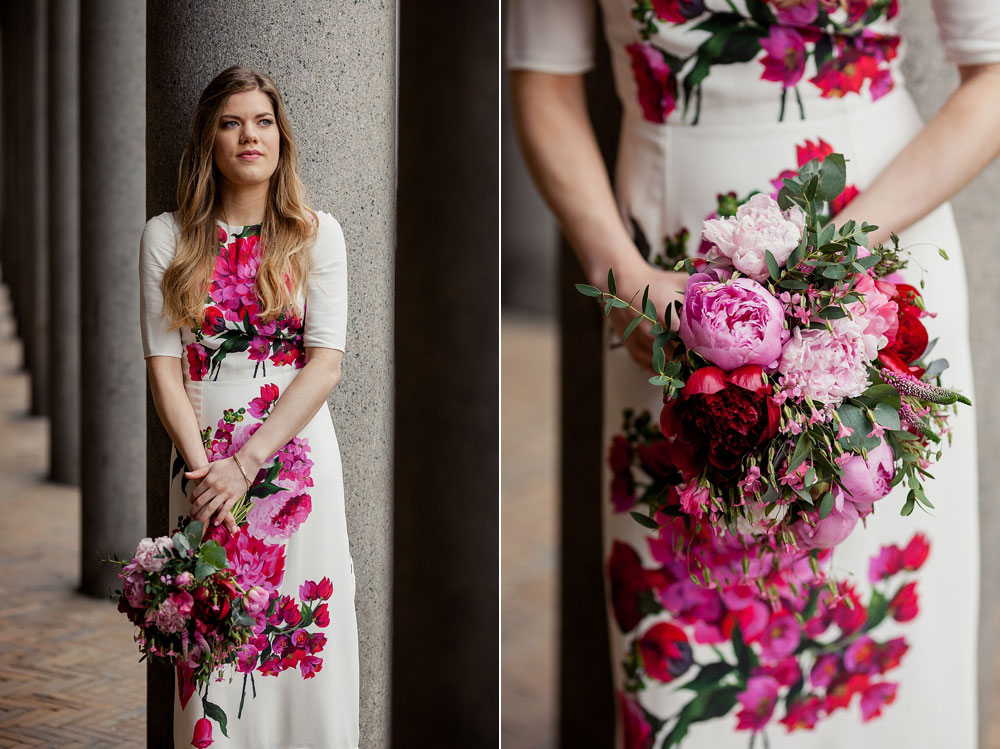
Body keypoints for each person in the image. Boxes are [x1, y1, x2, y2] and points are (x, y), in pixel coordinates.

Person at [508, 0, 1000, 746]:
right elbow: (544, 78)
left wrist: (825, 262)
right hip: (672, 295)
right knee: (685, 659)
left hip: (877, 274)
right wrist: (620, 275)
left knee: (881, 645)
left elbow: (993, 74)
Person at [139, 65, 359, 748]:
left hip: (295, 467)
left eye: (262, 120)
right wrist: (207, 472)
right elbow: (164, 369)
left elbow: (325, 364)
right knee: (213, 652)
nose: (248, 135)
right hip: (205, 477)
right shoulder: (166, 237)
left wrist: (248, 462)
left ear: (280, 137)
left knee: (302, 644)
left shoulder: (317, 235)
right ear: (210, 138)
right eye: (231, 122)